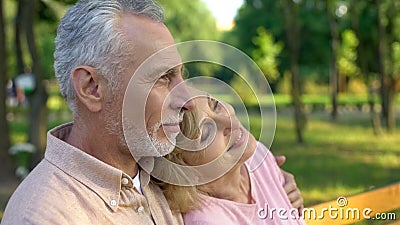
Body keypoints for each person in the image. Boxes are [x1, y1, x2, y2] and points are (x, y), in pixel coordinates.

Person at [2, 0, 302, 224]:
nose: (187, 99)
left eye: (181, 75)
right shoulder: (46, 215)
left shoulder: (155, 174)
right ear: (92, 88)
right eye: (162, 78)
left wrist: (268, 186)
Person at [154, 94, 306, 224]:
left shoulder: (258, 155)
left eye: (215, 105)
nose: (229, 122)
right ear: (184, 170)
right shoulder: (207, 221)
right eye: (207, 132)